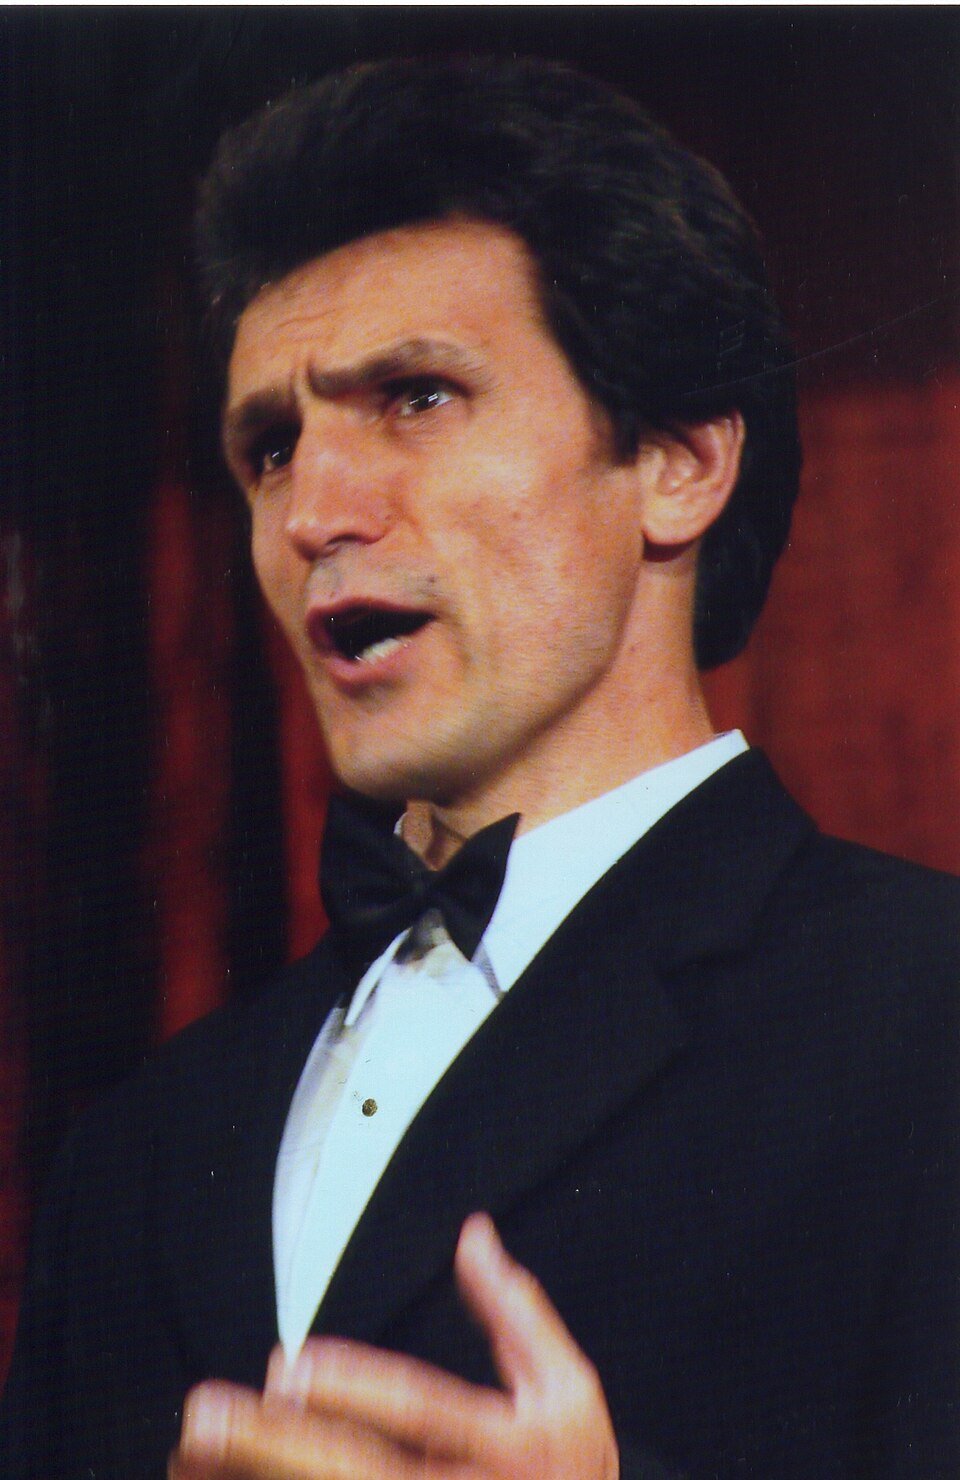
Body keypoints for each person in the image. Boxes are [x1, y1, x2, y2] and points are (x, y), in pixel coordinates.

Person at [2, 55, 957, 1480]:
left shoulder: (925, 1018)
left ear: (679, 464)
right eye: (271, 447)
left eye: (417, 397)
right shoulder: (136, 1154)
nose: (313, 511)